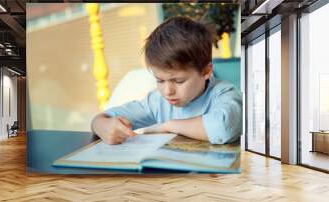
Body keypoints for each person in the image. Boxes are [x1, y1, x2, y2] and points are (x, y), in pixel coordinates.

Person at [91, 16, 242, 145]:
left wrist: (168, 126)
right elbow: (103, 118)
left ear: (206, 71)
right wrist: (101, 125)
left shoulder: (225, 93)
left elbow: (223, 127)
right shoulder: (156, 101)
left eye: (179, 81)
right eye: (160, 81)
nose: (167, 91)